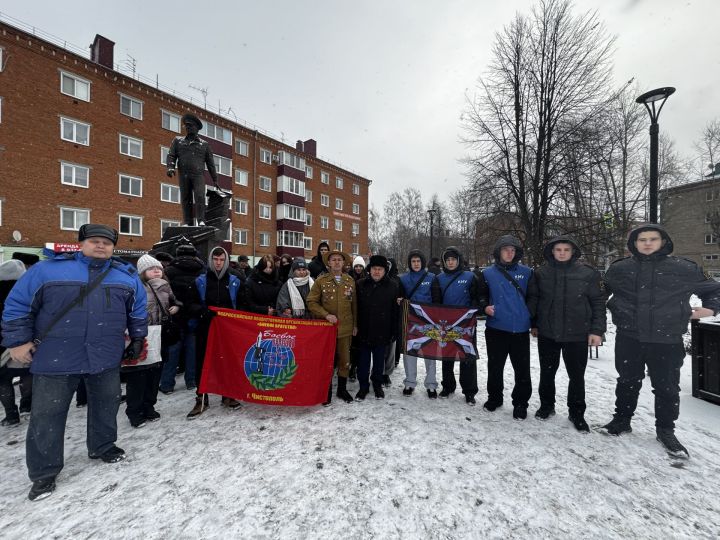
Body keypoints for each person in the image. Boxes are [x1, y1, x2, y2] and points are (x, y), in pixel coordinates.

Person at [1, 224, 147, 501]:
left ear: (113, 247)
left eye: (106, 242)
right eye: (94, 241)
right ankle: (44, 473)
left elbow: (137, 308)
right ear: (80, 243)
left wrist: (138, 337)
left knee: (106, 404)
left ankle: (103, 446)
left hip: (105, 355)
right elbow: (18, 305)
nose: (101, 246)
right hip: (56, 356)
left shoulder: (125, 276)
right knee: (47, 415)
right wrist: (17, 341)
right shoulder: (47, 271)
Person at [601, 224, 720, 457]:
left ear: (663, 242)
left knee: (666, 387)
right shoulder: (619, 269)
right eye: (641, 239)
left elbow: (714, 290)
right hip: (629, 337)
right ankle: (622, 420)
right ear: (633, 244)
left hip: (666, 340)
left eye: (652, 239)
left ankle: (666, 430)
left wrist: (711, 309)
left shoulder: (684, 268)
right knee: (627, 381)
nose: (647, 243)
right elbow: (597, 293)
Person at [526, 236, 606, 432]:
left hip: (577, 334)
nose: (562, 253)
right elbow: (536, 300)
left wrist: (597, 330)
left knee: (577, 376)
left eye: (566, 249)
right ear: (552, 252)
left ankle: (577, 413)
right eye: (558, 249)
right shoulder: (541, 273)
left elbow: (597, 302)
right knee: (547, 373)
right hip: (547, 333)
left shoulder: (588, 273)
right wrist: (534, 324)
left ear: (573, 252)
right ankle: (547, 406)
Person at [478, 236, 533, 418]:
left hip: (520, 329)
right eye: (506, 249)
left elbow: (534, 298)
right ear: (498, 252)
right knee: (495, 366)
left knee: (522, 369)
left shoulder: (527, 273)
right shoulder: (487, 273)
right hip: (496, 328)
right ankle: (495, 398)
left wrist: (529, 316)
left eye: (513, 250)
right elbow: (481, 295)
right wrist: (484, 306)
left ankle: (520, 403)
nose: (510, 253)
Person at [123, 254, 181, 428]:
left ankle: (149, 406)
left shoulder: (165, 286)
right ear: (142, 272)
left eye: (158, 268)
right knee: (138, 375)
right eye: (150, 269)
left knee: (155, 372)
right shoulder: (134, 286)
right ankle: (134, 411)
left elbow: (174, 300)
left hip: (160, 334)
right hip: (141, 335)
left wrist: (177, 306)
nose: (156, 271)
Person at [188, 246, 245, 418]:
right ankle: (201, 397)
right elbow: (190, 304)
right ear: (210, 260)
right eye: (215, 259)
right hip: (206, 328)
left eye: (221, 260)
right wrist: (203, 311)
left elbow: (242, 304)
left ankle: (228, 394)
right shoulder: (200, 281)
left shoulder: (235, 281)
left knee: (228, 361)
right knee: (203, 362)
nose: (218, 263)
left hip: (228, 330)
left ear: (226, 261)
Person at [431, 246, 480, 405]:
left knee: (468, 357)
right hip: (446, 325)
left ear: (458, 260)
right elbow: (436, 301)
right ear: (444, 262)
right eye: (448, 260)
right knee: (447, 356)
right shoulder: (439, 278)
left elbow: (476, 298)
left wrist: (470, 315)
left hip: (466, 325)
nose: (450, 262)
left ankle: (469, 390)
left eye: (453, 259)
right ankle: (448, 386)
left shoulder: (470, 276)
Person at [307, 249, 357, 404]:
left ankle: (342, 390)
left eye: (339, 260)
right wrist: (325, 314)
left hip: (345, 329)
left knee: (345, 360)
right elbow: (311, 301)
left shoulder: (350, 281)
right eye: (333, 259)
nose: (336, 262)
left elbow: (354, 305)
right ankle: (325, 391)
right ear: (328, 263)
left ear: (344, 263)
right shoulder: (321, 281)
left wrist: (355, 324)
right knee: (327, 360)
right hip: (326, 330)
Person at [161, 243, 205, 394]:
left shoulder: (169, 271)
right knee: (192, 350)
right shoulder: (201, 270)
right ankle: (191, 381)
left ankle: (167, 384)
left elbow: (165, 293)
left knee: (173, 351)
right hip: (194, 314)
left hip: (175, 315)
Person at [355, 255, 399, 400]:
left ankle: (377, 385)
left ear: (385, 271)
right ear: (369, 270)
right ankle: (363, 386)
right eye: (374, 269)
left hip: (382, 331)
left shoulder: (392, 286)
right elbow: (355, 308)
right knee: (363, 362)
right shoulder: (360, 284)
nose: (377, 272)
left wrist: (394, 331)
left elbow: (395, 311)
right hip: (364, 330)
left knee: (380, 362)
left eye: (380, 269)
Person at [166, 113, 218, 226]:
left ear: (197, 128)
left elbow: (211, 164)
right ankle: (187, 222)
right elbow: (171, 155)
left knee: (200, 196)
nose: (188, 127)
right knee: (186, 198)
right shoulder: (178, 141)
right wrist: (170, 167)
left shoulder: (204, 144)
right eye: (186, 126)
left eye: (191, 125)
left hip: (198, 175)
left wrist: (215, 180)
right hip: (183, 174)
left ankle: (201, 220)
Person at [398, 249, 438, 398]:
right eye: (413, 261)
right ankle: (409, 382)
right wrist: (399, 300)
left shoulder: (432, 277)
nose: (416, 264)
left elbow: (436, 298)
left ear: (422, 262)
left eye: (418, 261)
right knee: (410, 353)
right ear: (410, 263)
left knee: (430, 353)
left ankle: (431, 384)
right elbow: (400, 296)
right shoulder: (403, 278)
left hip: (429, 321)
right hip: (410, 321)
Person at [0, 260, 32, 427]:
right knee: (27, 373)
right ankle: (26, 406)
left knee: (2, 381)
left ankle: (11, 415)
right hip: (23, 341)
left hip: (2, 344)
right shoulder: (27, 292)